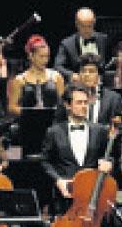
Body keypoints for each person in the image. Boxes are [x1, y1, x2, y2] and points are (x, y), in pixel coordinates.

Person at [41, 83, 111, 215]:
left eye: (85, 102)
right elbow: (45, 161)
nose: (84, 106)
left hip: (92, 194)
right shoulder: (54, 132)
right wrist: (58, 180)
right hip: (65, 195)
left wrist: (109, 163)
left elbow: (109, 156)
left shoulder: (100, 131)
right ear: (67, 105)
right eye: (79, 102)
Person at [55, 53, 122, 124]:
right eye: (83, 71)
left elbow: (118, 126)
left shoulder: (113, 99)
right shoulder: (67, 96)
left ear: (99, 76)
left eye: (91, 71)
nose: (87, 74)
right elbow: (58, 124)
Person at [8, 35, 64, 116]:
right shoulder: (19, 80)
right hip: (28, 120)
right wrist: (31, 113)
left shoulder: (56, 77)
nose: (45, 60)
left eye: (47, 56)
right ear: (31, 56)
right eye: (41, 56)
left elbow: (63, 104)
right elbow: (12, 107)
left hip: (52, 120)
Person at [55, 8, 109, 82]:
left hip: (101, 84)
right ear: (76, 24)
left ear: (94, 23)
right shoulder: (67, 44)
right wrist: (72, 75)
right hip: (78, 84)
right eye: (83, 26)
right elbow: (57, 66)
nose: (87, 30)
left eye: (90, 26)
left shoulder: (103, 39)